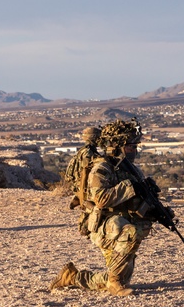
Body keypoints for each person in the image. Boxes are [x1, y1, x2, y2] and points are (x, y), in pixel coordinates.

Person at [50, 118, 154, 297]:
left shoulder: (131, 169)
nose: (134, 151)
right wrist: (129, 187)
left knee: (120, 277)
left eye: (135, 147)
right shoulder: (102, 167)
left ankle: (72, 277)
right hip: (103, 224)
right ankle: (114, 282)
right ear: (117, 146)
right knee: (130, 234)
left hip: (118, 223)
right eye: (130, 147)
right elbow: (101, 199)